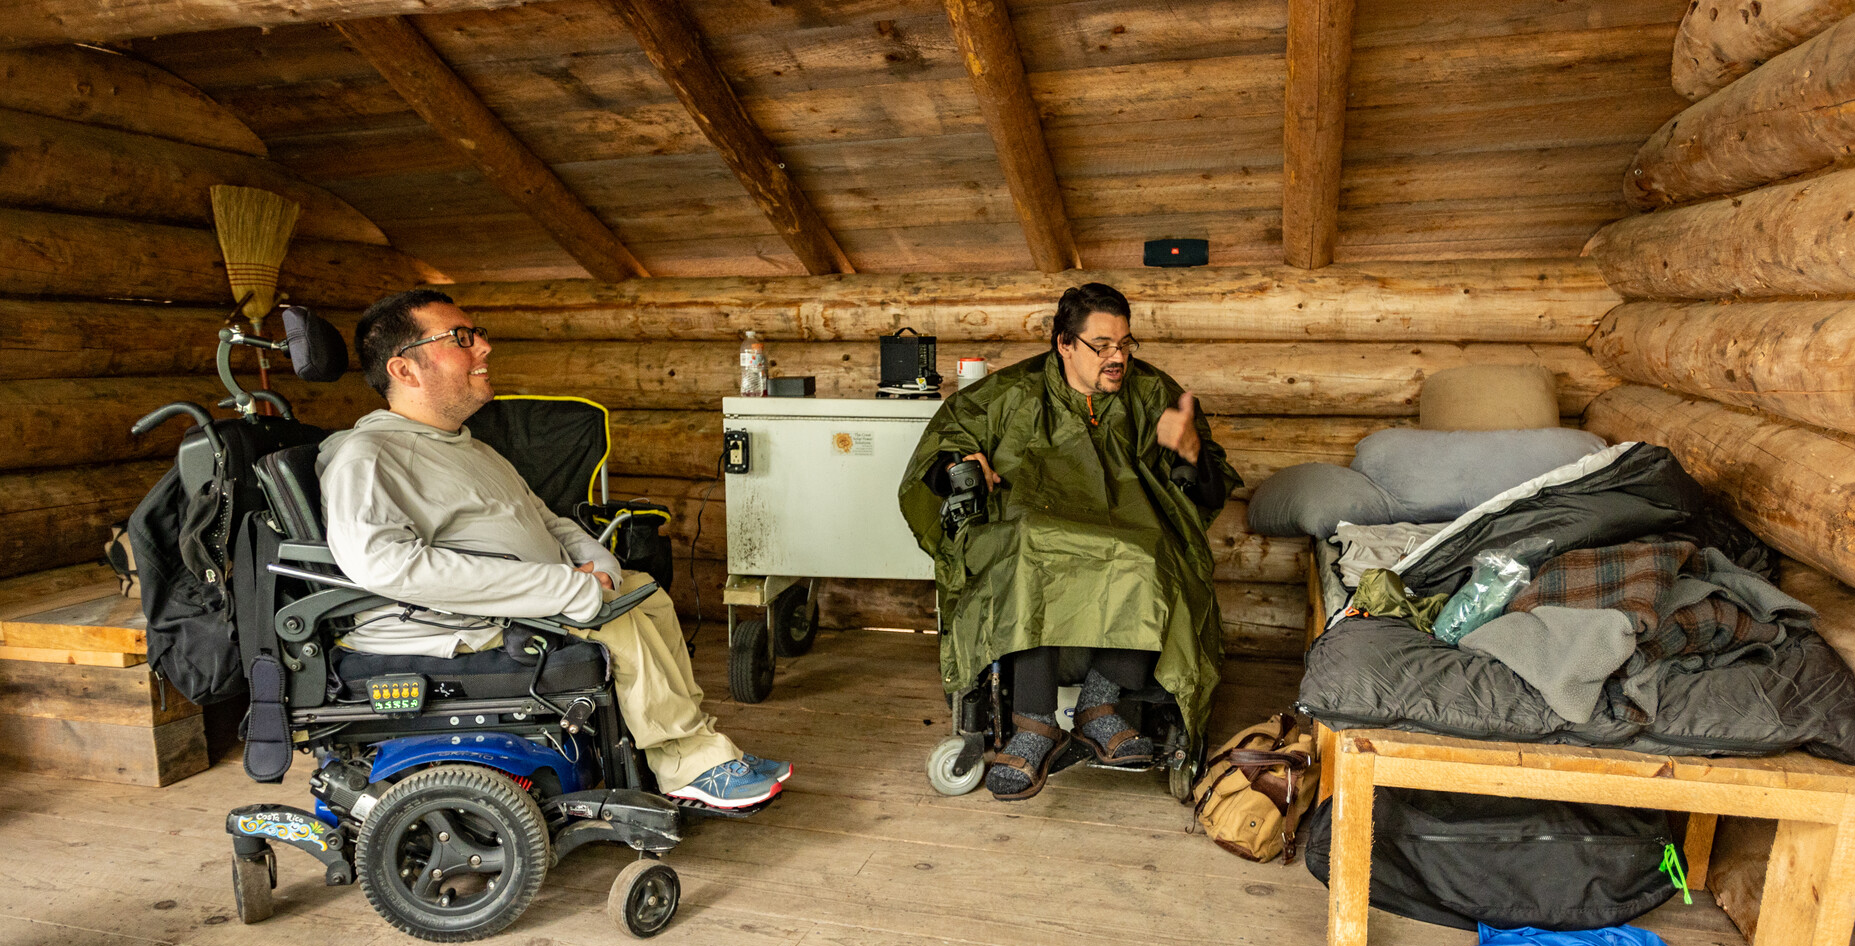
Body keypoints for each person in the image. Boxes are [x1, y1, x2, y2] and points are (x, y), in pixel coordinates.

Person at [318, 288, 789, 810]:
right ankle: (689, 765)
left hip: (533, 598)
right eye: (462, 339)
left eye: (479, 336)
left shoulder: (469, 447)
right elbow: (385, 565)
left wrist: (602, 565)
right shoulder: (368, 456)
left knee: (644, 594)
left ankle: (695, 747)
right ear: (405, 370)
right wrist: (566, 586)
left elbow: (546, 519)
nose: (484, 349)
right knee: (616, 618)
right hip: (446, 624)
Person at [899, 282, 1239, 800]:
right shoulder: (1011, 394)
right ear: (1063, 343)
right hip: (1035, 527)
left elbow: (1208, 488)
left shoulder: (1151, 394)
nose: (1117, 357)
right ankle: (1034, 723)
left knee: (1150, 555)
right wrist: (962, 463)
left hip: (1129, 528)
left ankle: (1098, 705)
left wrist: (1193, 454)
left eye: (1125, 344)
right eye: (1101, 345)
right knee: (1032, 549)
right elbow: (943, 452)